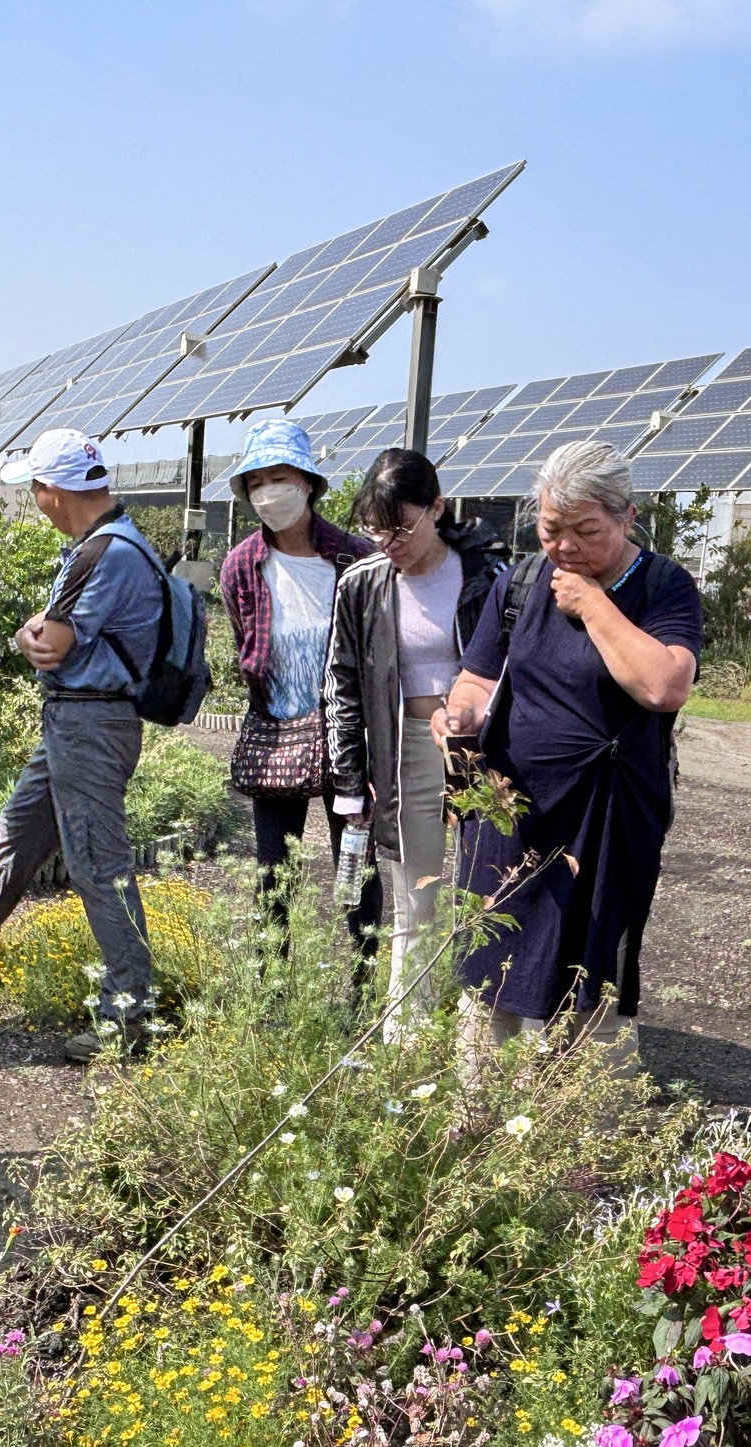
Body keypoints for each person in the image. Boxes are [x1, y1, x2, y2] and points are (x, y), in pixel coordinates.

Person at [436, 439, 703, 1075]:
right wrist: (463, 714)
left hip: (605, 820)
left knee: (591, 966)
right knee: (492, 959)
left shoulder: (663, 587)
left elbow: (664, 685)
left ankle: (579, 1132)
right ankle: (476, 1113)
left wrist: (591, 603)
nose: (565, 547)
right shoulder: (520, 580)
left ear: (628, 518)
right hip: (512, 812)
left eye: (587, 531)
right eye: (551, 529)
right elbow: (476, 679)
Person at [0, 429, 162, 1064]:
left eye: (36, 489)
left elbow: (48, 643)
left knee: (96, 863)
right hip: (78, 720)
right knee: (24, 824)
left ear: (50, 493)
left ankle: (128, 1012)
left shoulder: (103, 553)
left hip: (91, 723)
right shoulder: (113, 543)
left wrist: (29, 632)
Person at [324, 448, 509, 999]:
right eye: (376, 531)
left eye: (400, 527)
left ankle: (487, 1020)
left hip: (484, 747)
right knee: (415, 899)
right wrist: (350, 779)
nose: (389, 543)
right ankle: (407, 1036)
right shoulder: (361, 585)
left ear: (437, 508)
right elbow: (342, 687)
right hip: (403, 749)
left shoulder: (488, 571)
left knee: (490, 891)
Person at [218, 418, 383, 947]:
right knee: (274, 873)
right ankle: (272, 994)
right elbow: (249, 644)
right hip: (276, 736)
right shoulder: (242, 565)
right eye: (256, 483)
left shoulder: (355, 559)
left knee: (356, 872)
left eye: (279, 478)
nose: (268, 493)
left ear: (308, 483)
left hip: (347, 739)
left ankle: (363, 984)